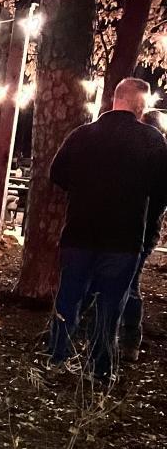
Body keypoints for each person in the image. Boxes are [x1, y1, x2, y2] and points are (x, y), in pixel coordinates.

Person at [47, 77, 167, 384]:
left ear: (115, 99)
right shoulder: (151, 140)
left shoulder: (82, 134)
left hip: (79, 232)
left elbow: (56, 173)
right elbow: (163, 188)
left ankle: (57, 357)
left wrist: (83, 190)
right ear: (141, 104)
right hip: (123, 239)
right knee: (110, 305)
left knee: (69, 297)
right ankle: (99, 369)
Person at [120, 111, 167, 360]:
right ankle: (125, 338)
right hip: (143, 231)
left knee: (129, 282)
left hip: (140, 231)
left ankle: (130, 338)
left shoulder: (153, 158)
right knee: (128, 280)